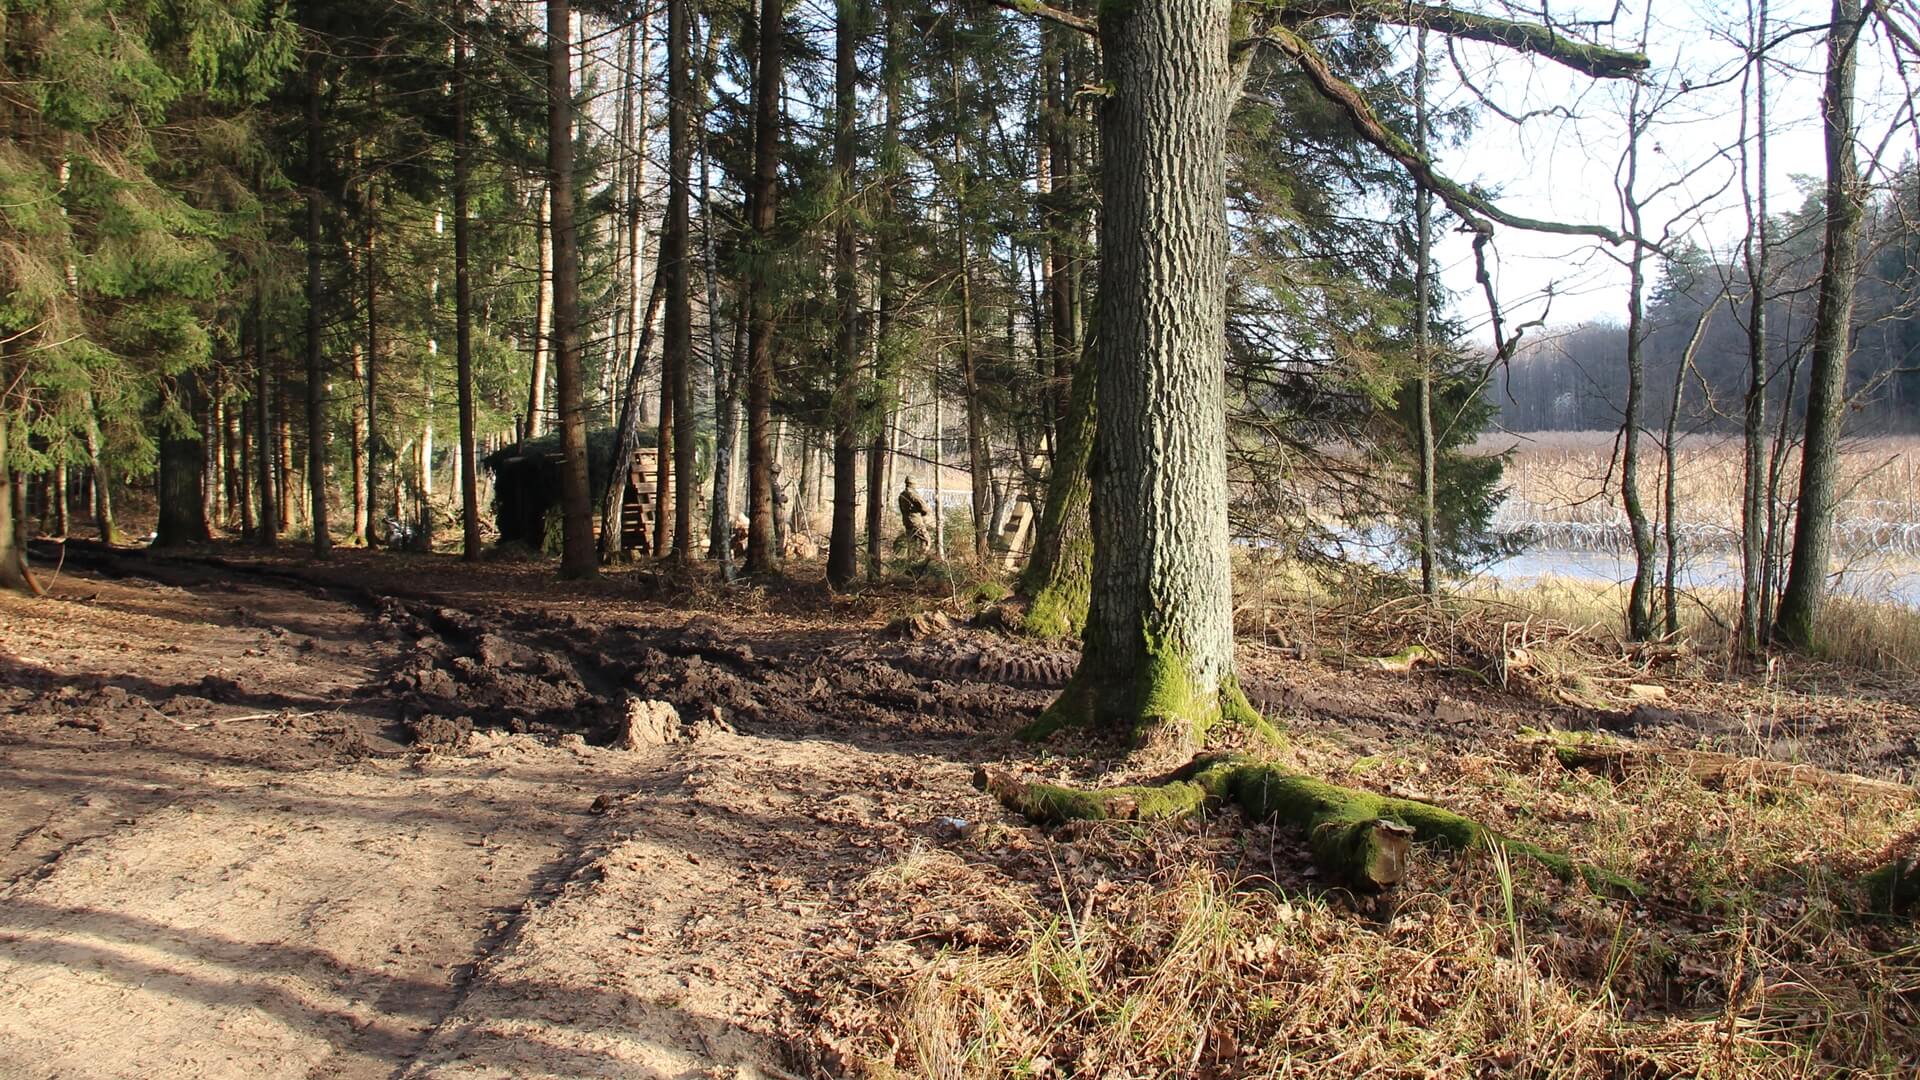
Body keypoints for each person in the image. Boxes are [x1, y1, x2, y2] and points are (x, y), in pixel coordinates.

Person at [896, 476, 932, 556]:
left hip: (907, 521)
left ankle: (911, 559)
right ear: (913, 484)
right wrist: (925, 513)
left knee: (912, 543)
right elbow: (924, 507)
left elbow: (902, 509)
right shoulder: (913, 494)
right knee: (926, 540)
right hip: (916, 521)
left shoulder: (902, 495)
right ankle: (921, 557)